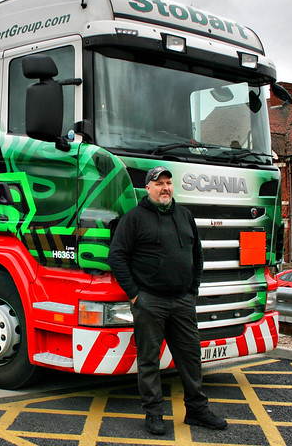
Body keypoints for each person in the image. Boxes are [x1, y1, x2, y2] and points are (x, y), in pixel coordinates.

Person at [107, 166, 227, 436]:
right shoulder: (134, 218)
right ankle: (154, 413)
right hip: (150, 301)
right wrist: (135, 294)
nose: (165, 188)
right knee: (149, 360)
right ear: (148, 188)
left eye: (168, 183)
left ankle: (197, 410)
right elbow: (116, 256)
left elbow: (197, 254)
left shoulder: (184, 215)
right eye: (159, 183)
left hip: (182, 300)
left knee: (191, 357)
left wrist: (193, 289)